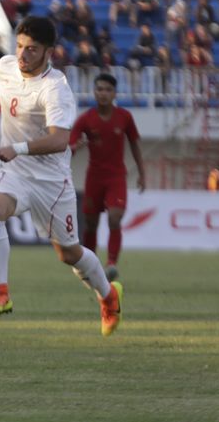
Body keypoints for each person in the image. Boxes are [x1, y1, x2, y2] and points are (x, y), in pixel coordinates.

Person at [0, 16, 122, 337]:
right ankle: (0, 292)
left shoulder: (55, 89)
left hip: (51, 182)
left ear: (48, 52)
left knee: (68, 253)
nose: (23, 56)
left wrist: (17, 147)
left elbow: (59, 141)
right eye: (19, 47)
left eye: (32, 50)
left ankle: (108, 296)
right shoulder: (6, 65)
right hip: (13, 172)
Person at [69, 73, 145, 282]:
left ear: (114, 94)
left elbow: (135, 145)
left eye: (107, 90)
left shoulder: (125, 117)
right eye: (99, 89)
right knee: (91, 224)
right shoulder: (85, 119)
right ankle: (89, 266)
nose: (103, 93)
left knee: (114, 217)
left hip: (116, 177)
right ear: (94, 92)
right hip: (94, 178)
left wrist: (142, 174)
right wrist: (76, 146)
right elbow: (69, 147)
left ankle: (111, 263)